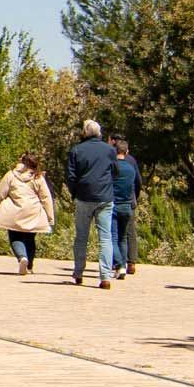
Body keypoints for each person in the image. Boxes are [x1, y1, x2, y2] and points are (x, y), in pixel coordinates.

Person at [65, 119, 118, 288]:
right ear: (99, 132)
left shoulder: (77, 150)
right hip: (105, 197)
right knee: (105, 237)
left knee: (81, 237)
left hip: (84, 197)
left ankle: (78, 273)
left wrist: (75, 193)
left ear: (85, 132)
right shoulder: (110, 150)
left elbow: (71, 176)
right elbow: (115, 171)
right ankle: (105, 277)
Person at [0, 153, 55, 276]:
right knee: (30, 238)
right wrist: (50, 217)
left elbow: (0, 195)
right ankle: (29, 266)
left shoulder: (11, 175)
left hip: (14, 211)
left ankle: (22, 257)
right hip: (33, 211)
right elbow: (46, 198)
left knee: (15, 236)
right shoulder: (38, 177)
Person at [107, 132, 142, 274]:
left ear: (113, 142)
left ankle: (118, 263)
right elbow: (138, 181)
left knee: (114, 235)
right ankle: (131, 262)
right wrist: (134, 197)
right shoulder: (131, 161)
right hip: (129, 199)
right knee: (129, 233)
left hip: (115, 201)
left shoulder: (112, 162)